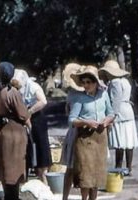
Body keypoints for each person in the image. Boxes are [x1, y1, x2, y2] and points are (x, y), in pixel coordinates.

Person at [69, 65, 115, 200]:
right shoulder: (79, 99)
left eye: (88, 82)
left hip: (99, 138)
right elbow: (72, 120)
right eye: (83, 82)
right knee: (85, 175)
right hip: (84, 139)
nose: (85, 85)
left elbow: (111, 112)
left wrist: (106, 121)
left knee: (97, 174)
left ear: (95, 82)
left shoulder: (103, 95)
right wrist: (86, 122)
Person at [0, 62, 31, 200]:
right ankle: (13, 197)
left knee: (3, 164)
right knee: (14, 166)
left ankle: (8, 195)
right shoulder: (12, 92)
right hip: (13, 131)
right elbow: (23, 114)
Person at [98, 60, 138, 176]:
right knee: (128, 141)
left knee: (120, 142)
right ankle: (129, 167)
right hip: (128, 111)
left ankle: (118, 167)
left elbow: (115, 101)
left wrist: (111, 117)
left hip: (120, 113)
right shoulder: (125, 81)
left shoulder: (114, 83)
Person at [12, 69, 52, 184]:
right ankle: (25, 175)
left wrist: (30, 111)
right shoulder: (15, 89)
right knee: (26, 146)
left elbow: (43, 101)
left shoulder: (33, 86)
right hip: (23, 118)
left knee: (40, 145)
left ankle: (42, 174)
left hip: (37, 117)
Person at [60, 63, 84, 200]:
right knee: (83, 169)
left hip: (73, 131)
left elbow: (67, 112)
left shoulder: (71, 94)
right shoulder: (85, 94)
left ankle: (65, 197)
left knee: (70, 169)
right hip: (78, 131)